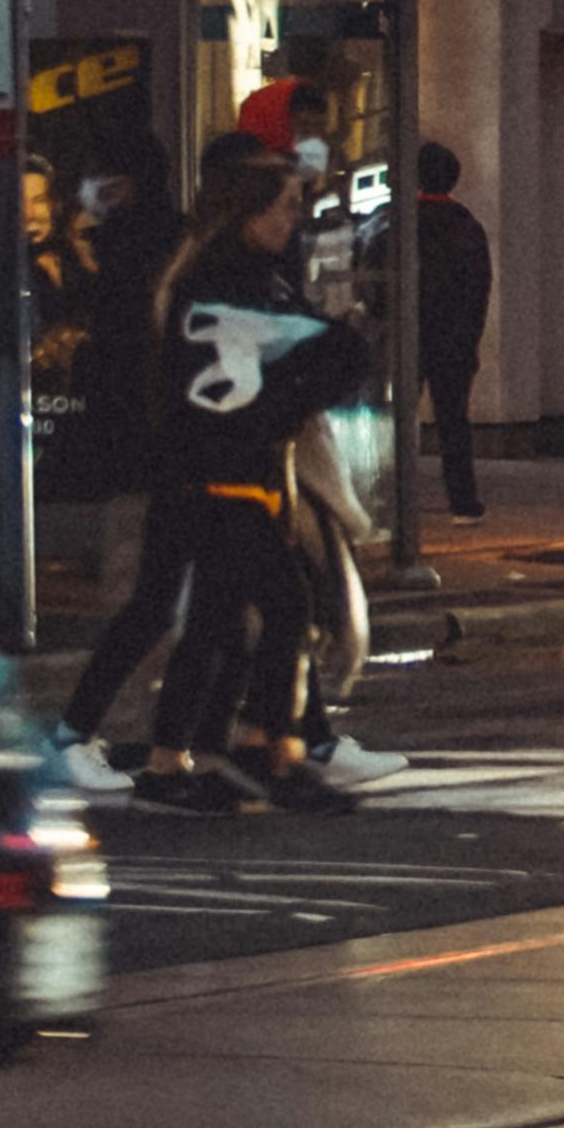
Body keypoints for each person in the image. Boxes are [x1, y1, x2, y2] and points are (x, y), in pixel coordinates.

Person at [124, 148, 356, 817]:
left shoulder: (225, 272)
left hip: (220, 470)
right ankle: (268, 747)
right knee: (286, 605)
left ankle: (180, 757)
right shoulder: (227, 278)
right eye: (286, 205)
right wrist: (326, 358)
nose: (295, 219)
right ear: (251, 212)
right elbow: (285, 355)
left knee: (217, 617)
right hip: (220, 473)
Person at [406, 143, 494, 517]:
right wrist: (470, 338)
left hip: (411, 335)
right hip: (453, 339)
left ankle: (395, 497)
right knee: (454, 422)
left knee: (397, 418)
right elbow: (478, 288)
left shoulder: (403, 222)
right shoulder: (466, 226)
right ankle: (463, 502)